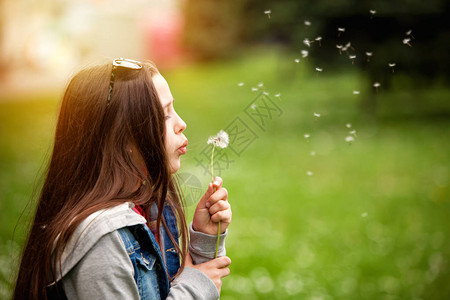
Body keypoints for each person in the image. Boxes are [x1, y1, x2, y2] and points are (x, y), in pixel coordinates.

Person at [13, 58, 232, 299]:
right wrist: (196, 287)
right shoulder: (102, 243)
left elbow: (173, 288)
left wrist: (204, 241)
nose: (182, 124)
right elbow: (189, 288)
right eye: (165, 114)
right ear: (125, 137)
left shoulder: (147, 208)